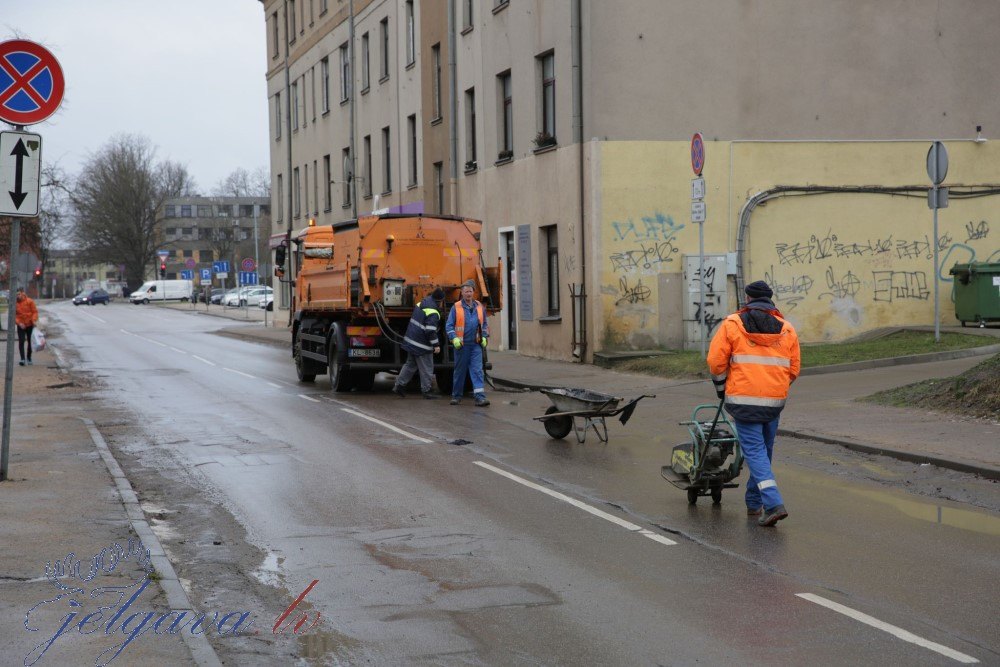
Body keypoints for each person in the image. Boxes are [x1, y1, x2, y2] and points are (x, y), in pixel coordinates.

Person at [707, 280, 800, 527]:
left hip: (743, 401)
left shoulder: (732, 324)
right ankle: (753, 502)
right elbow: (794, 368)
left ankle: (773, 504)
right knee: (764, 451)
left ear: (747, 299)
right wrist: (775, 387)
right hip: (773, 403)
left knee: (756, 453)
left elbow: (716, 362)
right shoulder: (787, 329)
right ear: (770, 300)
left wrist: (721, 389)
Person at [392, 287, 445, 399]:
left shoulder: (422, 302)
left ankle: (399, 386)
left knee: (410, 364)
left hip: (412, 340)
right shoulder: (434, 312)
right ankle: (427, 391)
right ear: (440, 301)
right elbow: (430, 330)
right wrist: (436, 345)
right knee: (427, 367)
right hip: (422, 344)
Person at [445, 280, 490, 407]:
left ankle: (480, 398)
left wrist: (485, 336)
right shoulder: (456, 307)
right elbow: (449, 326)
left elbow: (485, 324)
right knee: (460, 371)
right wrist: (454, 338)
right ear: (462, 293)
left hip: (476, 345)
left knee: (477, 371)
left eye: (470, 291)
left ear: (473, 292)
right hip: (462, 346)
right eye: (466, 291)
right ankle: (456, 396)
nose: (468, 294)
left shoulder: (479, 306)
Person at [15, 288, 39, 367]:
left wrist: (33, 320)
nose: (17, 296)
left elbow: (34, 312)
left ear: (22, 293)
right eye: (16, 295)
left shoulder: (29, 301)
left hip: (29, 324)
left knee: (30, 341)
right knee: (21, 341)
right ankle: (22, 359)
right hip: (21, 325)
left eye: (18, 294)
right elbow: (14, 316)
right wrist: (19, 323)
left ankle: (29, 357)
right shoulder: (14, 303)